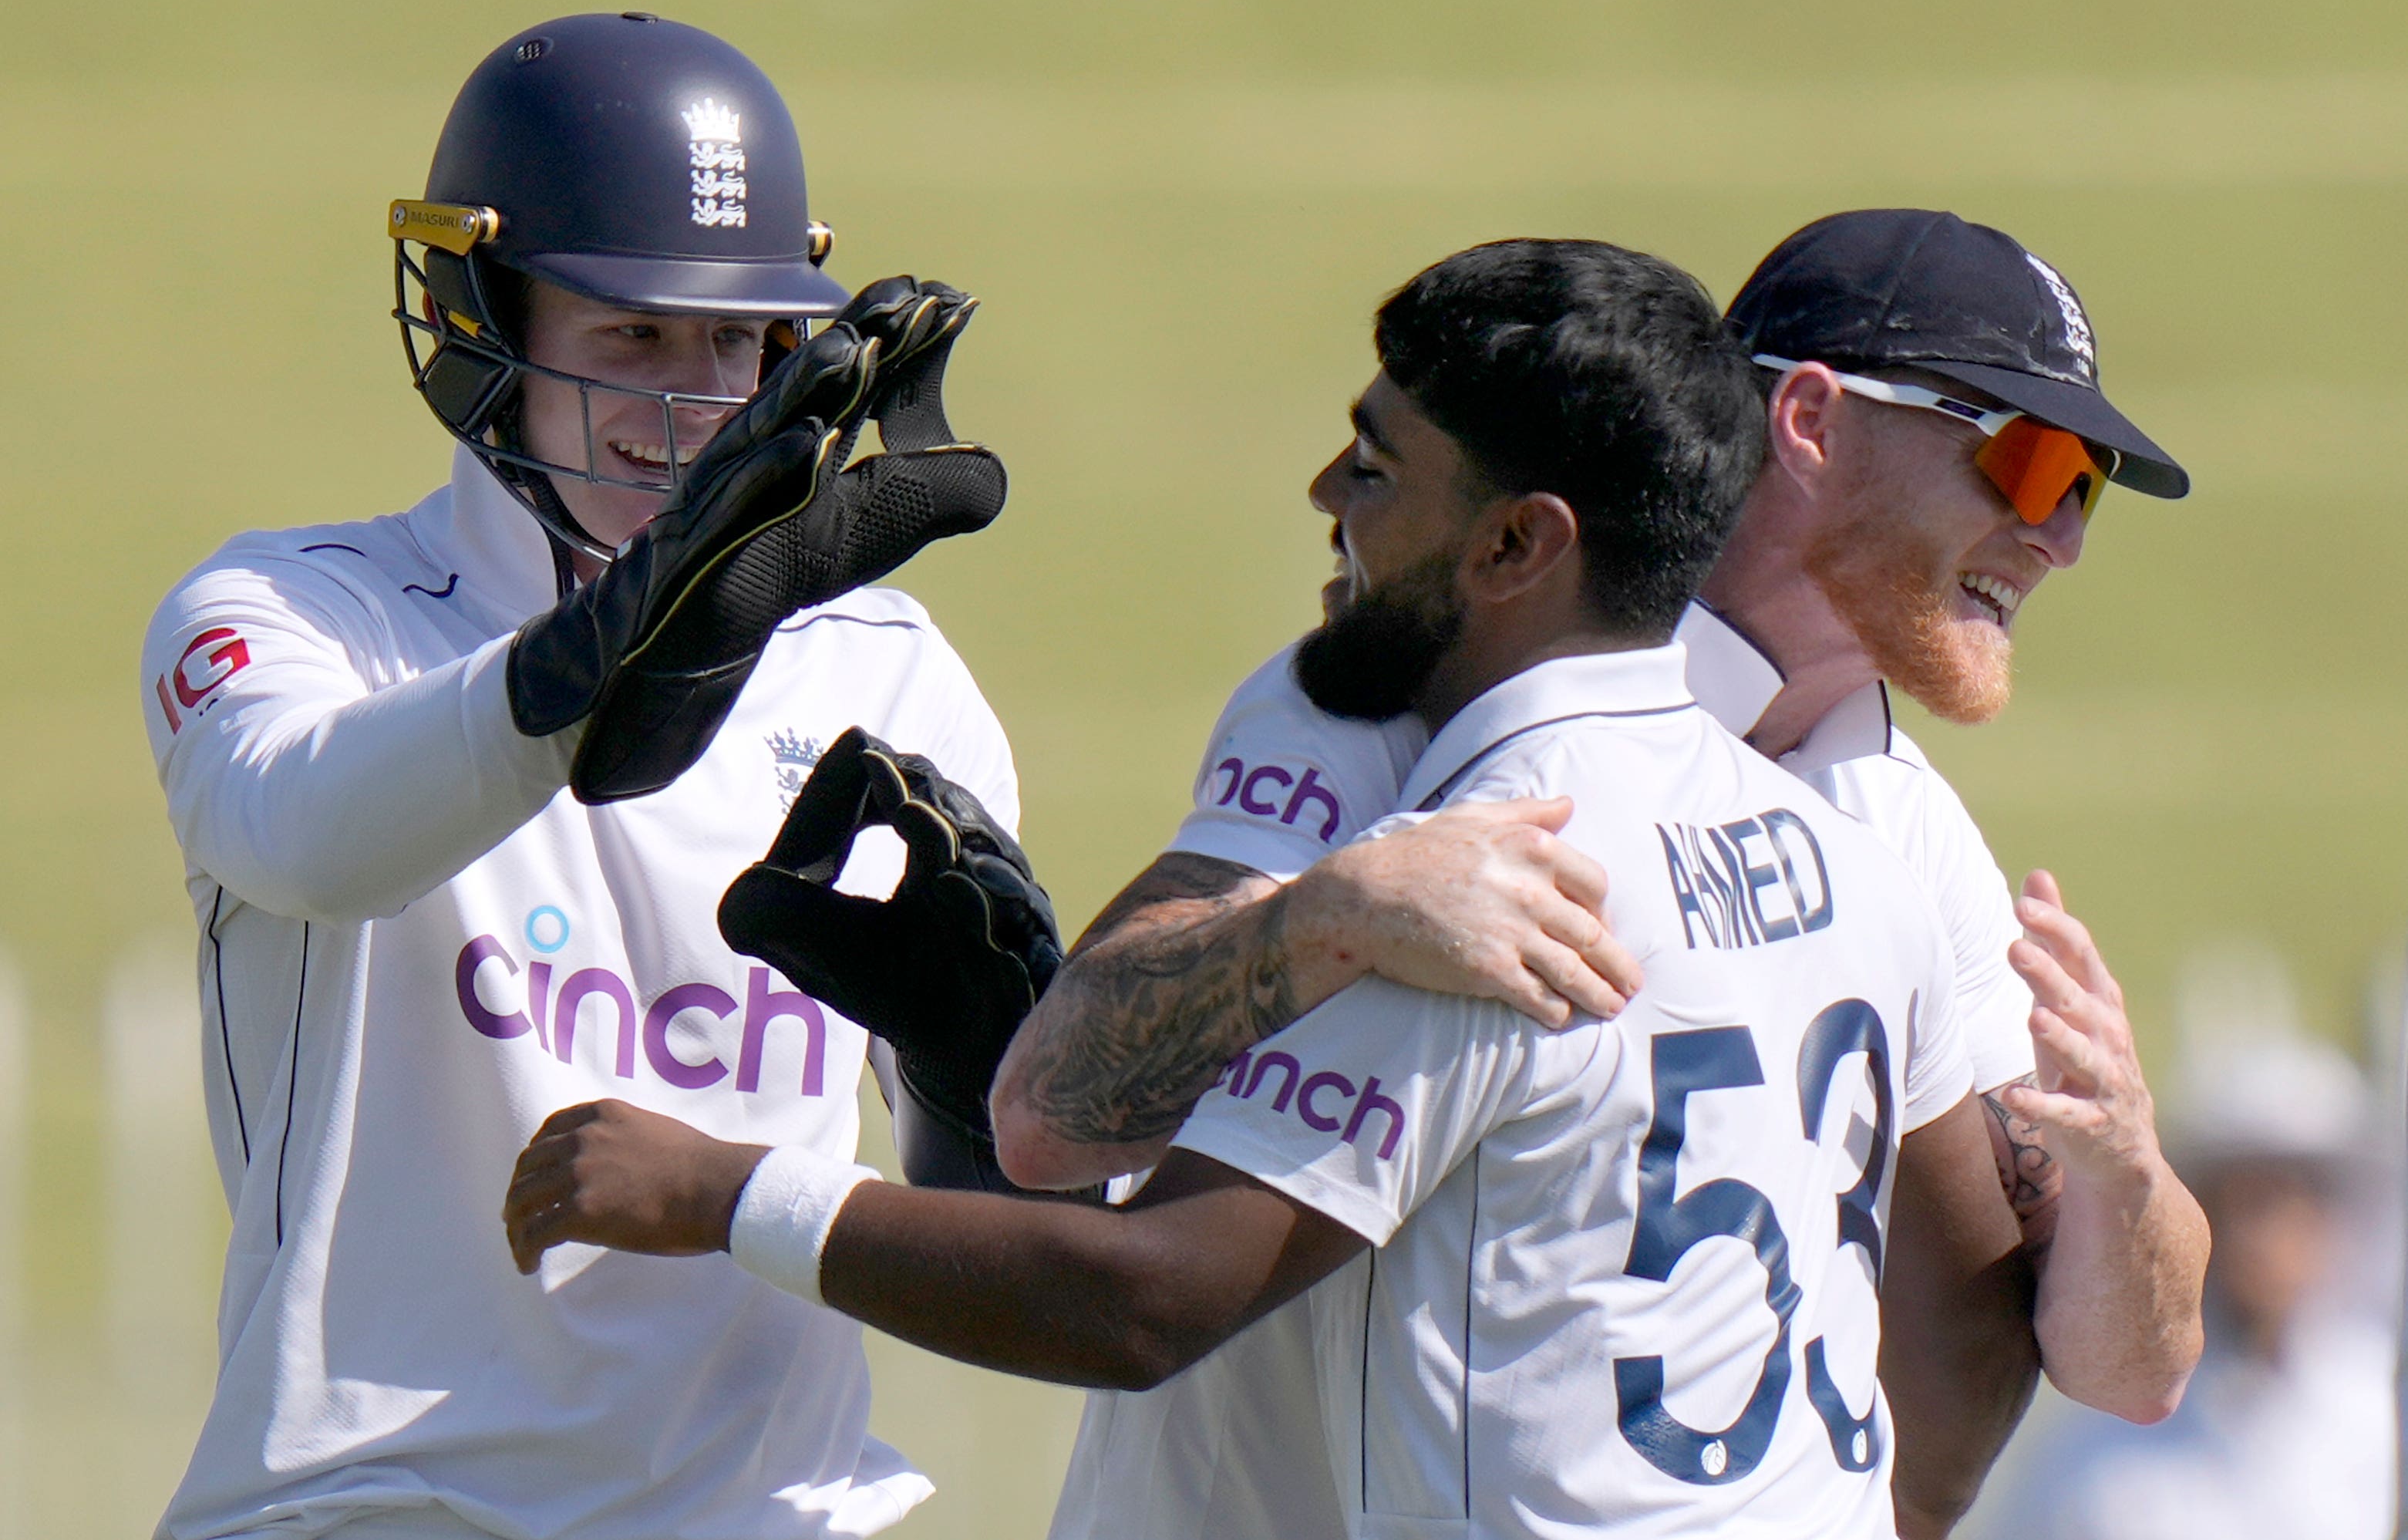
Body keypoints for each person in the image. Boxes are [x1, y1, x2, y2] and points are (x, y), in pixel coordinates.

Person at [142, 15, 1636, 1540]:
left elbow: (1013, 1228)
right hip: (363, 1508)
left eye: (733, 341)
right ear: (480, 320)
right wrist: (630, 637)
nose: (694, 401)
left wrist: (955, 1076)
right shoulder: (290, 614)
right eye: (632, 337)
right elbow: (311, 836)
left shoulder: (883, 665)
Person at [505, 237, 2029, 1539]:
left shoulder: (1487, 902)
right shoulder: (1861, 856)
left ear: (1514, 543)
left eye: (1375, 466)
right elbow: (1963, 1332)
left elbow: (1145, 1295)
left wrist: (721, 1195)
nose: (1324, 494)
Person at [983, 208, 2212, 1540]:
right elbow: (1055, 1110)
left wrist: (2128, 1173)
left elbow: (2121, 1366)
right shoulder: (1404, 694)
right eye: (2031, 468)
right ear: (1808, 419)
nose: (2060, 538)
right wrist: (1316, 918)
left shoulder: (1907, 837)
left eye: (2081, 489)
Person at [1980, 1030, 2394, 1540]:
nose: (2262, 1237)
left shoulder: (2377, 1411)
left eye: (2284, 1200)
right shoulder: (2097, 1446)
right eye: (2241, 1203)